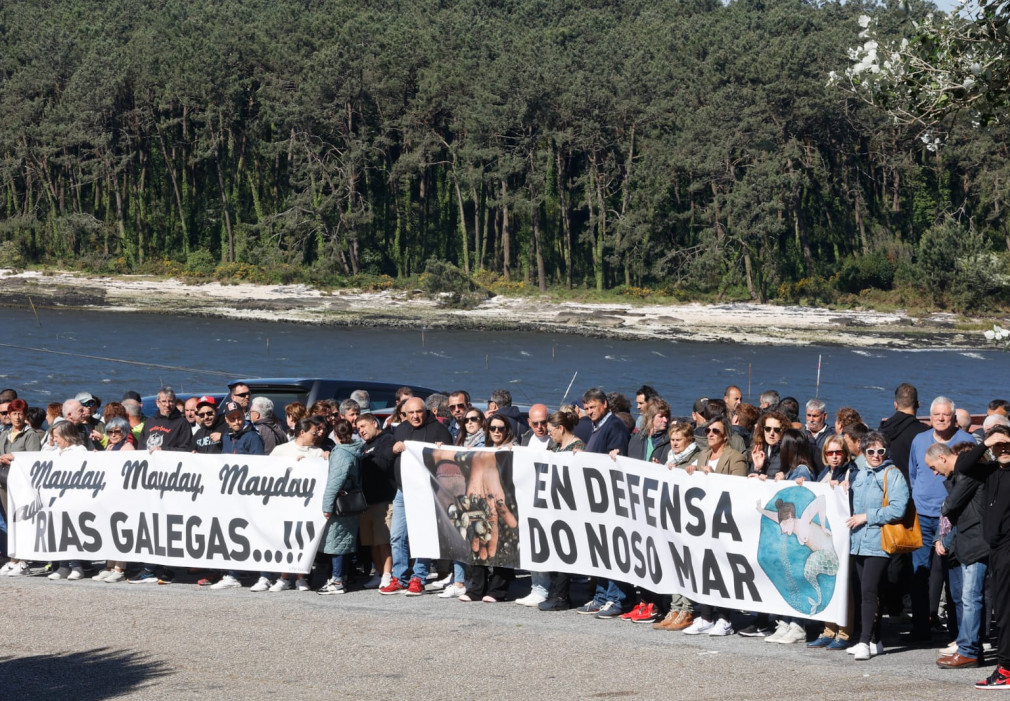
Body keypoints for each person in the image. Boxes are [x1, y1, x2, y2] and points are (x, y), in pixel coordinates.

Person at [907, 396, 974, 641]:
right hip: (923, 515)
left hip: (954, 517)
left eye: (946, 415)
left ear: (953, 417)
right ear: (930, 416)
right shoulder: (919, 440)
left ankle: (957, 633)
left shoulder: (966, 441)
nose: (941, 419)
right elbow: (913, 473)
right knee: (920, 571)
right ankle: (920, 627)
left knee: (953, 573)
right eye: (937, 415)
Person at [844, 431, 910, 661]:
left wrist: (866, 516)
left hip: (880, 541)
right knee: (870, 590)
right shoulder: (860, 474)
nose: (875, 455)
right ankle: (875, 640)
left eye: (880, 451)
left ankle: (863, 640)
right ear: (863, 452)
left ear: (886, 451)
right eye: (870, 451)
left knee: (869, 591)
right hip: (858, 541)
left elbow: (897, 509)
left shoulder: (893, 475)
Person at [681, 416, 747, 636]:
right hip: (704, 521)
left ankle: (725, 617)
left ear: (725, 435)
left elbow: (738, 488)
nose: (710, 434)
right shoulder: (702, 455)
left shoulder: (735, 457)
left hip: (725, 522)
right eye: (708, 430)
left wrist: (714, 477)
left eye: (715, 431)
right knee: (703, 567)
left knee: (722, 569)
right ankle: (706, 615)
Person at [955, 426, 1010, 688]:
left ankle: (1006, 669)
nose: (1004, 450)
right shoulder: (989, 469)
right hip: (996, 549)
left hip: (1008, 548)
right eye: (999, 446)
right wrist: (986, 443)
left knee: (1006, 609)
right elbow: (962, 467)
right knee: (1002, 608)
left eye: (1007, 445)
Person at [925, 441, 988, 668]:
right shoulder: (961, 476)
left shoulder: (965, 476)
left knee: (971, 599)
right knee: (969, 598)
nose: (934, 472)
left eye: (933, 467)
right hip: (969, 541)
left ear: (942, 458)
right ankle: (969, 647)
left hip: (975, 542)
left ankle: (969, 650)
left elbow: (950, 505)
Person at [382, 397, 451, 595]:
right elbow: (386, 454)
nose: (415, 416)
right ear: (404, 414)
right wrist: (393, 449)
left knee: (422, 536)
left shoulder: (439, 430)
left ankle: (418, 577)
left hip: (426, 493)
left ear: (426, 411)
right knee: (397, 535)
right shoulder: (400, 429)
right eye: (410, 413)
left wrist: (441, 450)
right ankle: (399, 577)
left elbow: (449, 461)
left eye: (418, 412)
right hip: (403, 490)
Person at [577, 388, 631, 620]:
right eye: (587, 408)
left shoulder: (614, 426)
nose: (589, 412)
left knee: (612, 550)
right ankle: (601, 596)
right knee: (599, 549)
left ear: (605, 404)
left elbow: (618, 460)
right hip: (595, 499)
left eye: (593, 407)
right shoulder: (597, 426)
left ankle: (616, 598)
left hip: (610, 499)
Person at [537, 408, 585, 612]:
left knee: (566, 551)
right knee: (556, 550)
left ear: (561, 428)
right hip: (555, 506)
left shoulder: (578, 447)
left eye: (551, 430)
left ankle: (563, 595)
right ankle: (557, 592)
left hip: (570, 508)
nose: (548, 434)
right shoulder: (556, 447)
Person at [318, 418, 364, 595]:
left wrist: (326, 506)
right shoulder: (355, 450)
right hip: (351, 502)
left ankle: (337, 580)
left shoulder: (341, 453)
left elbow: (334, 482)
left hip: (340, 503)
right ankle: (342, 576)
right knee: (344, 542)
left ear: (335, 434)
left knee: (335, 542)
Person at [355, 413, 396, 590]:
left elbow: (385, 463)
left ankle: (388, 574)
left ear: (374, 423)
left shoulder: (387, 440)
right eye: (358, 429)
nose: (361, 431)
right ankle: (378, 573)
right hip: (367, 501)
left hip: (383, 499)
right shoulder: (364, 446)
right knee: (371, 541)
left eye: (363, 426)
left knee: (383, 540)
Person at [46, 421, 89, 581]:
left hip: (74, 497)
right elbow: (40, 458)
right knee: (59, 531)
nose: (55, 440)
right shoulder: (56, 450)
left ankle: (76, 566)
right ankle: (63, 566)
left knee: (72, 532)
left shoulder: (80, 450)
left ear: (66, 436)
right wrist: (50, 445)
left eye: (57, 436)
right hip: (57, 498)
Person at [626, 398, 671, 464]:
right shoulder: (636, 439)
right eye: (661, 416)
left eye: (667, 416)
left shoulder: (671, 440)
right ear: (651, 417)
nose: (665, 420)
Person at [751, 411, 791, 479]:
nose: (771, 433)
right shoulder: (759, 449)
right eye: (767, 429)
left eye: (776, 430)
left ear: (783, 431)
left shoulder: (787, 453)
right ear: (763, 430)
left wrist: (784, 478)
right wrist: (757, 469)